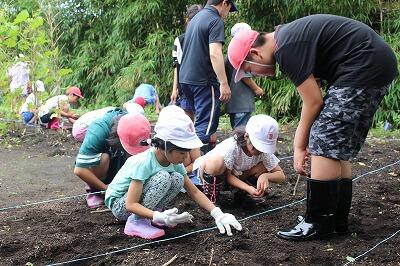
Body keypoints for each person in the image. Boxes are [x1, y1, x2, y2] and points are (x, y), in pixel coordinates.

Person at [227, 14, 398, 241]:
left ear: (255, 53)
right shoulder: (288, 38)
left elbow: (313, 101)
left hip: (363, 66)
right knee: (336, 143)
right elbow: (315, 93)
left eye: (249, 68)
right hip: (372, 64)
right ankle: (336, 219)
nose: (254, 74)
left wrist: (300, 146)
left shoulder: (285, 48)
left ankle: (318, 222)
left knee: (324, 138)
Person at [105, 110, 242, 239]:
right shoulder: (143, 163)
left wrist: (218, 214)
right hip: (120, 204)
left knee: (177, 179)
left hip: (135, 203)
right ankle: (136, 222)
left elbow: (193, 191)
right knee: (163, 177)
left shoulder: (175, 162)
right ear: (165, 147)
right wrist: (159, 216)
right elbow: (130, 204)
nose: (186, 157)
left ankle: (149, 216)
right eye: (182, 153)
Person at [179, 0, 237, 153]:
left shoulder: (195, 19)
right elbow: (215, 53)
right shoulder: (215, 20)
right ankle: (196, 170)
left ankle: (188, 164)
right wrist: (224, 83)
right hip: (203, 81)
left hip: (186, 79)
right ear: (225, 3)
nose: (227, 15)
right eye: (229, 9)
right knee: (204, 128)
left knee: (196, 124)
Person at [192, 115, 285, 203]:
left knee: (263, 166)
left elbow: (281, 175)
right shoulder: (232, 147)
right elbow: (228, 177)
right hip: (208, 174)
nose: (260, 151)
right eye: (257, 146)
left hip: (236, 176)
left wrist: (265, 176)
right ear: (246, 136)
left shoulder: (263, 153)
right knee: (216, 162)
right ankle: (211, 196)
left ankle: (242, 195)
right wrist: (248, 187)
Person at [74, 111, 151, 208]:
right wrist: (105, 188)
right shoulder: (99, 130)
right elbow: (80, 170)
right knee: (104, 158)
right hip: (102, 156)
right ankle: (95, 191)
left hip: (116, 153)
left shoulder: (138, 126)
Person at [225, 23, 265, 129]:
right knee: (241, 134)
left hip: (234, 102)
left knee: (237, 132)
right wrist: (257, 89)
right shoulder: (240, 52)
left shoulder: (229, 53)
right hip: (242, 102)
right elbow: (244, 75)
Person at [170, 4, 203, 121]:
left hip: (203, 85)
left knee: (203, 120)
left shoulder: (207, 38)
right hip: (185, 85)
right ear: (187, 20)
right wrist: (174, 89)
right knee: (188, 120)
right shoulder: (180, 40)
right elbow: (176, 65)